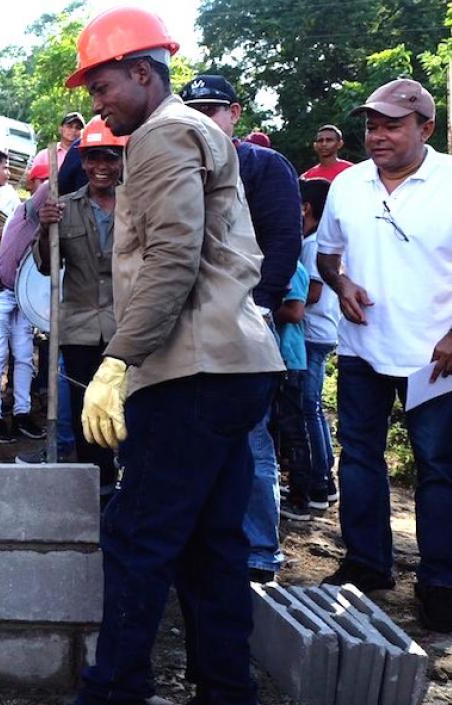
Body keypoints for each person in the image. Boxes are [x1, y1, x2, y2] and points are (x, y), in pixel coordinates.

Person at [64, 8, 285, 703]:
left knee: (137, 536)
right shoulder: (190, 132)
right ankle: (226, 689)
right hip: (235, 364)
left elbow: (171, 259)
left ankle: (113, 691)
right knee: (213, 544)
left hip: (190, 370)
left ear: (141, 72)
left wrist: (118, 359)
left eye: (102, 87)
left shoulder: (161, 138)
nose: (95, 105)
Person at [315, 79, 452, 633]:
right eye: (371, 125)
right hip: (363, 350)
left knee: (440, 470)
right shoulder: (348, 185)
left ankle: (441, 580)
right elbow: (327, 257)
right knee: (362, 458)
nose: (377, 136)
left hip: (435, 358)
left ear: (426, 128)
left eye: (392, 125)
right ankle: (367, 565)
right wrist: (342, 283)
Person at [179, 72, 302, 584]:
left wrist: (261, 308)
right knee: (185, 434)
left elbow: (283, 242)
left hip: (247, 322)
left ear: (236, 113)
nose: (205, 119)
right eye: (194, 110)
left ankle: (258, 553)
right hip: (184, 322)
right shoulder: (176, 166)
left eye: (214, 109)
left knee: (251, 440)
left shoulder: (264, 166)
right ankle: (197, 546)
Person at [26, 116, 123, 498]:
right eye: (94, 158)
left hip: (126, 327)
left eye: (110, 158)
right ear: (82, 162)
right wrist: (46, 228)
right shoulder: (63, 208)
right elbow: (49, 267)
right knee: (87, 411)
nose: (101, 166)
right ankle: (96, 488)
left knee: (128, 407)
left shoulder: (138, 206)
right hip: (80, 327)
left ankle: (126, 482)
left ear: (121, 161)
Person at [0, 146, 35, 444]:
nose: (8, 173)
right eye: (3, 167)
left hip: (22, 287)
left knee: (25, 354)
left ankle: (22, 411)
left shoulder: (10, 198)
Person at [296, 177, 340, 511]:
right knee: (312, 408)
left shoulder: (313, 245)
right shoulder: (318, 241)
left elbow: (312, 293)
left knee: (308, 408)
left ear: (306, 208)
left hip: (313, 334)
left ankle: (320, 482)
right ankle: (322, 479)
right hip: (322, 333)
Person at [271, 260, 315, 522]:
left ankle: (301, 497)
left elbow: (296, 311)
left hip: (288, 358)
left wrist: (258, 307)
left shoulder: (293, 268)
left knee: (293, 428)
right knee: (277, 428)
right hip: (280, 358)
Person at [27, 111, 84, 179]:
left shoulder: (85, 156)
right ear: (60, 129)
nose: (73, 130)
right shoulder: (44, 155)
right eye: (69, 126)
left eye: (78, 128)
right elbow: (30, 182)